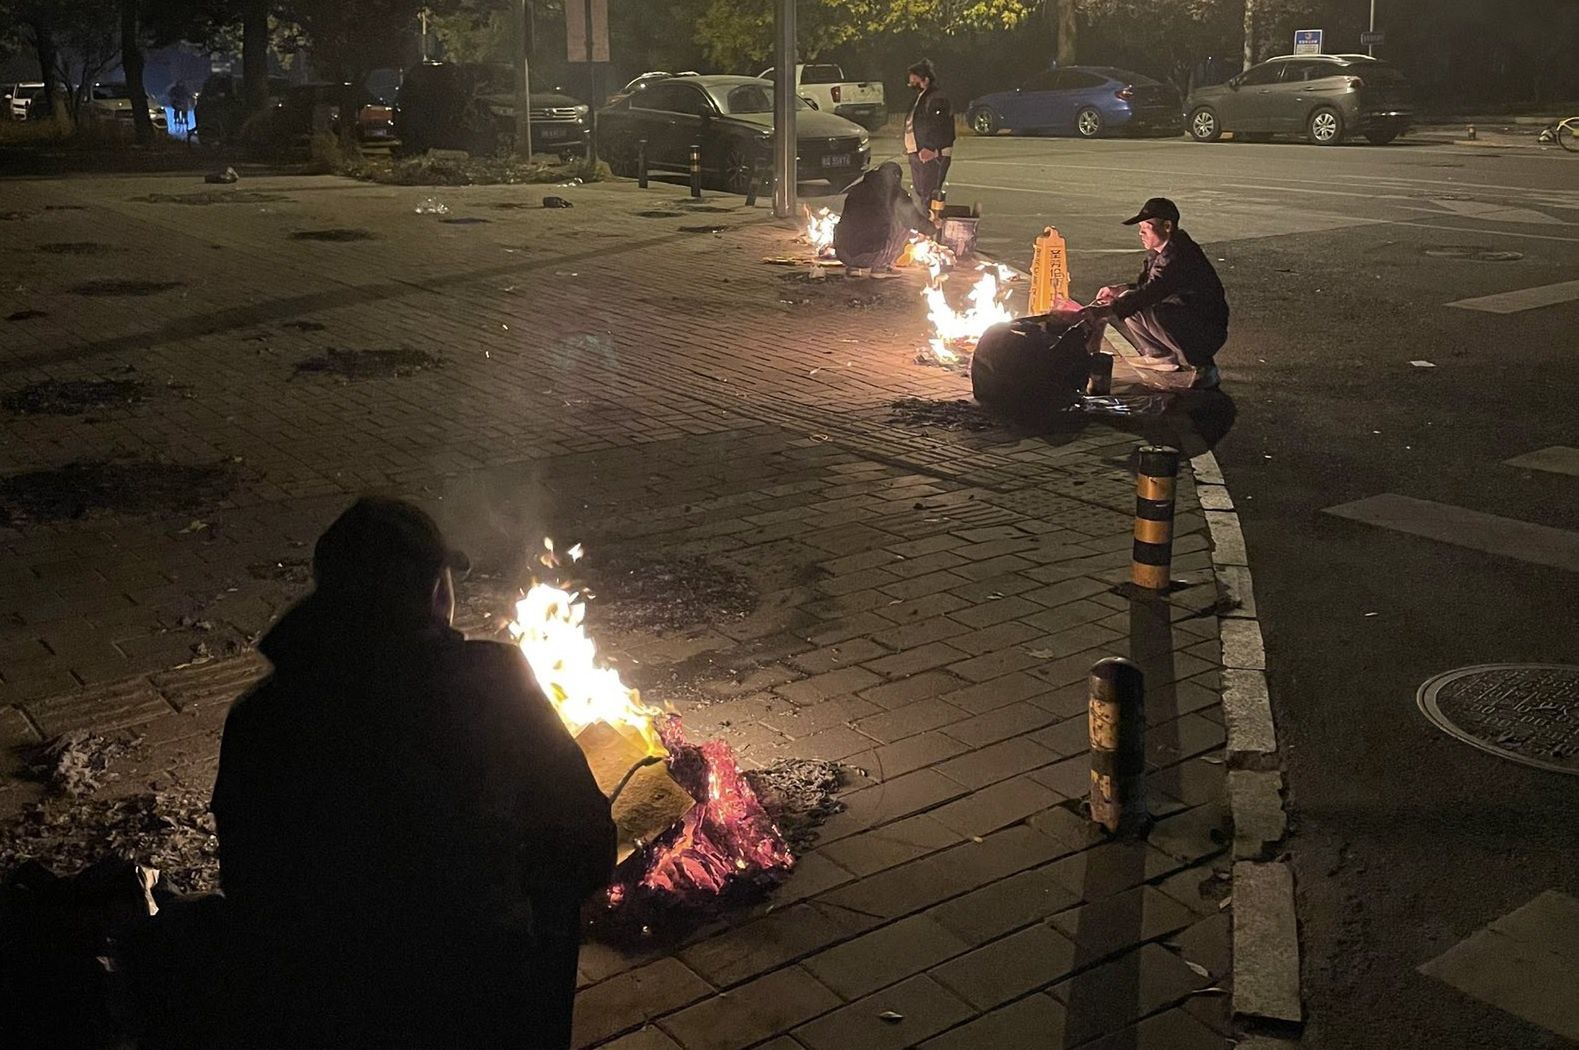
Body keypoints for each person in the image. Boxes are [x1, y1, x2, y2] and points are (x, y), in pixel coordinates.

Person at [211, 497, 616, 1049]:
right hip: (478, 985)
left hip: (322, 999)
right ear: (434, 592)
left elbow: (247, 882)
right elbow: (587, 843)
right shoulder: (494, 682)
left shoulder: (260, 716)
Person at [1082, 197, 1229, 391]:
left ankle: (1205, 367)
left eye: (1146, 227)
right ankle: (1159, 356)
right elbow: (1146, 288)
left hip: (1206, 327)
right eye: (1140, 227)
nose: (1141, 232)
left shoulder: (1179, 255)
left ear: (1167, 226)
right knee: (1128, 299)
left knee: (1152, 309)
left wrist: (1104, 312)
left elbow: (1152, 292)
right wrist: (1119, 290)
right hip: (1187, 313)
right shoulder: (1160, 252)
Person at [834, 161, 930, 278]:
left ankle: (853, 268)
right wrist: (933, 229)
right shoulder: (896, 193)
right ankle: (880, 267)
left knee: (858, 219)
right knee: (903, 223)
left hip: (843, 254)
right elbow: (914, 219)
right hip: (872, 256)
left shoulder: (856, 189)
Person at [903, 59, 954, 210]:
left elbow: (939, 123)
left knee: (929, 193)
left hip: (931, 154)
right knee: (921, 193)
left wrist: (930, 147)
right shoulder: (921, 98)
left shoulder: (936, 98)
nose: (911, 84)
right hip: (918, 153)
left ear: (925, 80)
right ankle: (925, 227)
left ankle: (931, 227)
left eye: (914, 80)